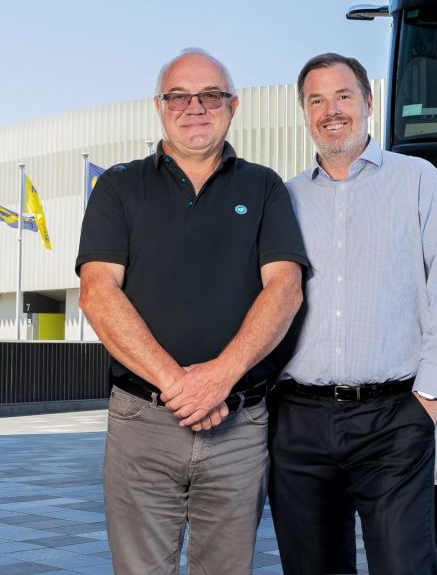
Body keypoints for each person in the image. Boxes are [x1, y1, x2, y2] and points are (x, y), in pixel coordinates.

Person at [77, 49, 308, 575]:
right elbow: (97, 293)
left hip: (239, 425)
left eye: (210, 95)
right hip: (142, 422)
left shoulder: (264, 186)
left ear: (233, 106)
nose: (195, 107)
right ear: (159, 105)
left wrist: (219, 379)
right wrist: (183, 388)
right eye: (179, 96)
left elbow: (286, 289)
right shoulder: (118, 186)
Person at [269, 53, 437, 575]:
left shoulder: (418, 181)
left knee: (403, 567)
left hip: (393, 420)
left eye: (342, 96)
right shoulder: (285, 198)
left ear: (368, 102)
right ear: (304, 112)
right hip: (298, 422)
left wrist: (428, 396)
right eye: (316, 100)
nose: (330, 110)